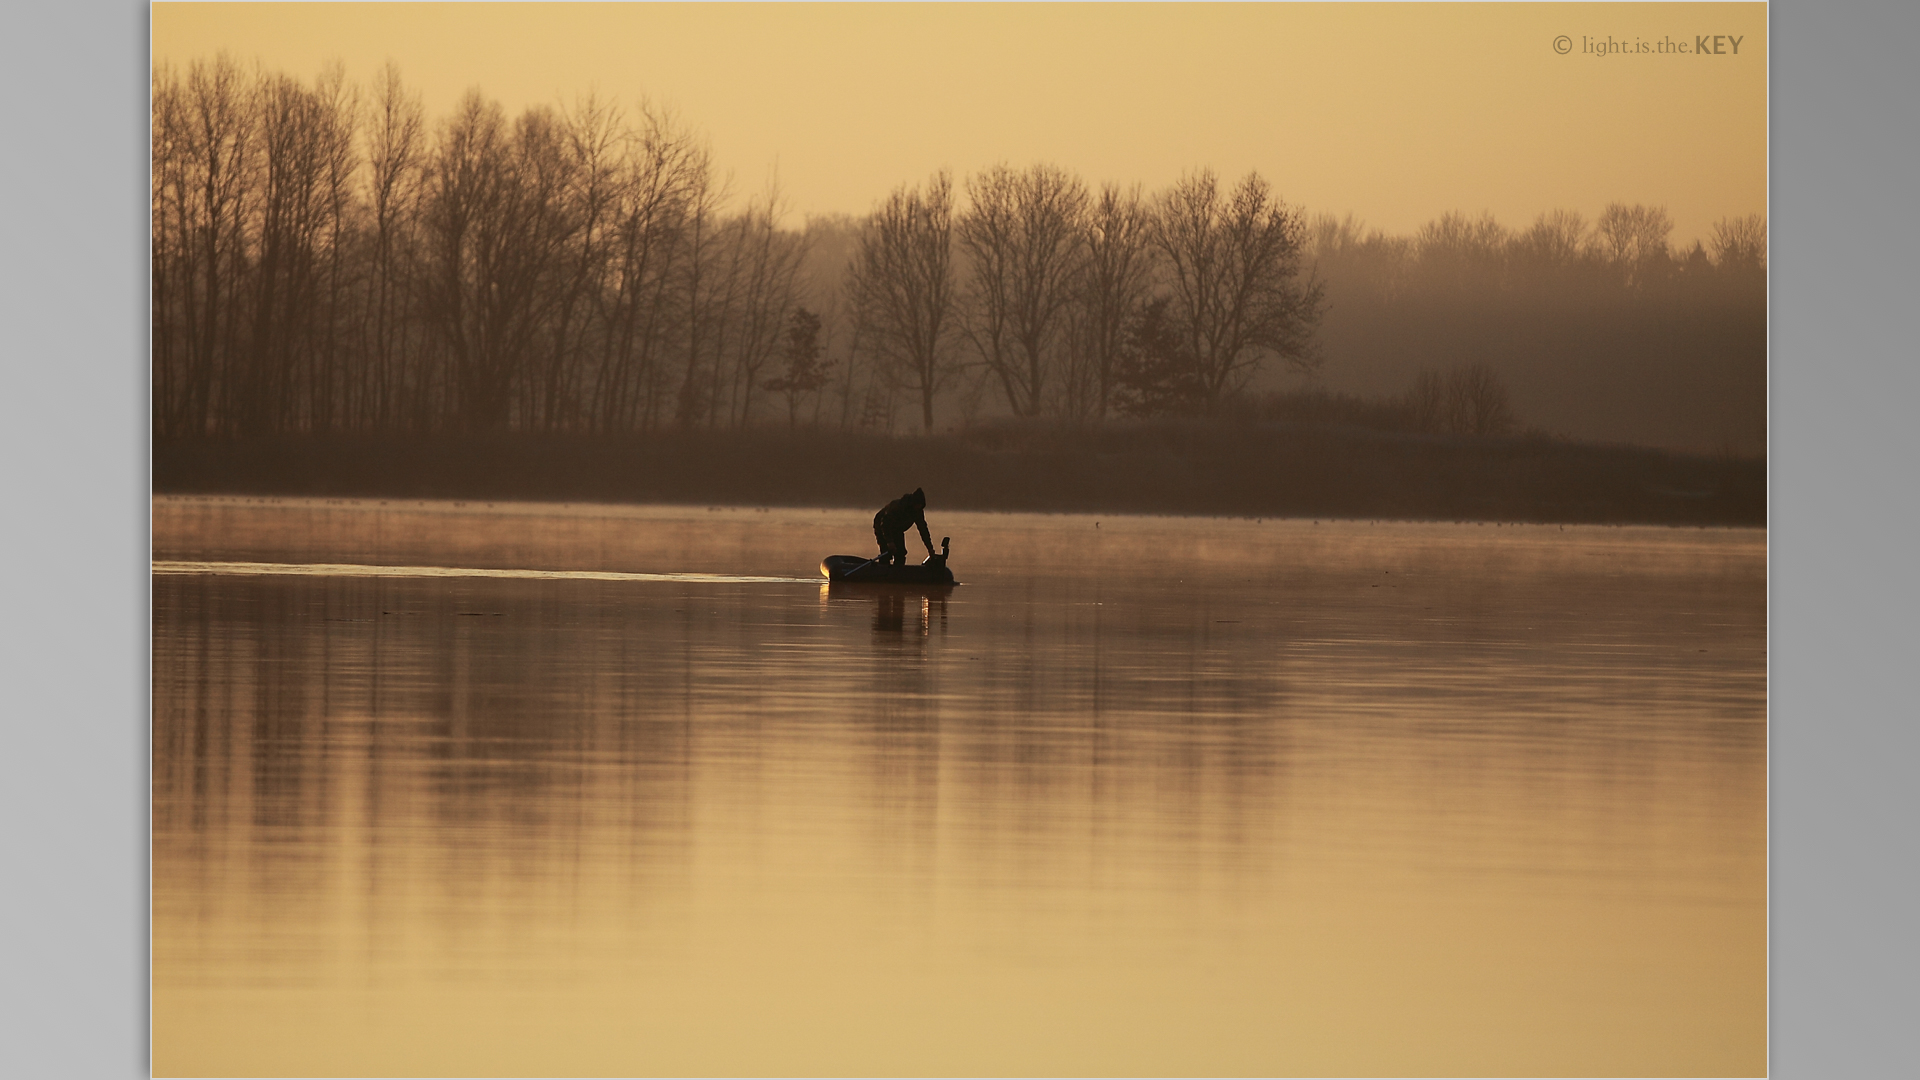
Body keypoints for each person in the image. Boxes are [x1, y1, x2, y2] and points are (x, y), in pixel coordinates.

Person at [873, 487, 934, 566]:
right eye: (918, 505)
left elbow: (923, 530)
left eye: (920, 506)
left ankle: (898, 572)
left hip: (897, 529)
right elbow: (885, 524)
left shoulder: (918, 512)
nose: (919, 507)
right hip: (881, 525)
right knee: (886, 552)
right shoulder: (898, 507)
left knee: (901, 553)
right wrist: (889, 541)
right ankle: (882, 570)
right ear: (913, 503)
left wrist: (930, 548)